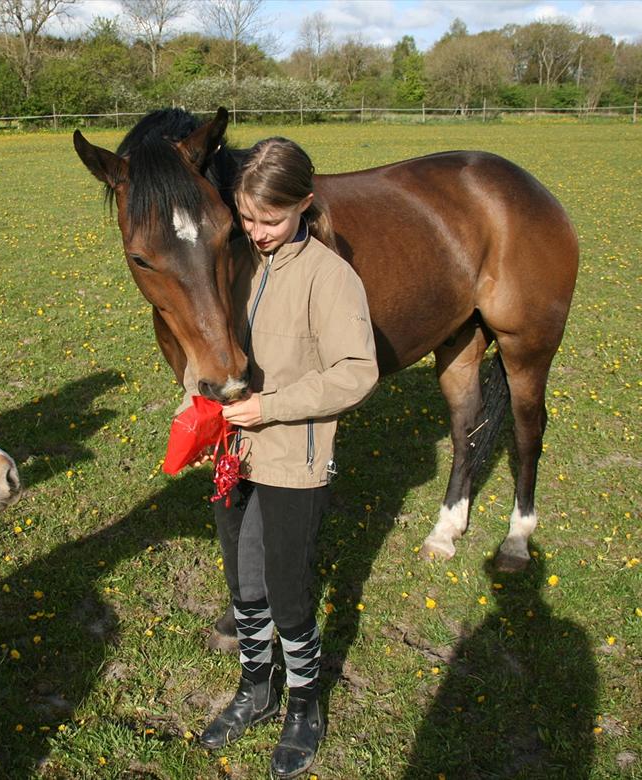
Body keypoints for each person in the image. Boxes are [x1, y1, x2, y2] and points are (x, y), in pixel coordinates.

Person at [196, 138, 378, 779]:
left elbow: (358, 373)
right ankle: (256, 686)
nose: (257, 231)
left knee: (290, 593)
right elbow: (211, 339)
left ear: (304, 204)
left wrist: (270, 407)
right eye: (246, 218)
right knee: (244, 586)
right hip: (232, 454)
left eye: (269, 220)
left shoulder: (330, 277)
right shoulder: (238, 261)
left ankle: (304, 703)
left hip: (293, 461)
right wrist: (196, 398)